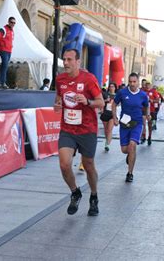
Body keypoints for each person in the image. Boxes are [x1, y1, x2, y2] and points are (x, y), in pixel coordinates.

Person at [54, 48, 104, 216]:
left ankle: (94, 196)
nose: (65, 63)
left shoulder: (89, 79)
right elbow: (58, 99)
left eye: (69, 60)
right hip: (68, 129)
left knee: (88, 165)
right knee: (64, 164)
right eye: (64, 59)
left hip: (87, 129)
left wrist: (87, 101)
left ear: (77, 62)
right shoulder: (60, 79)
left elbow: (101, 102)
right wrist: (57, 105)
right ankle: (75, 192)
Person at [112, 73, 149, 183]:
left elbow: (146, 106)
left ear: (138, 82)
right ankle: (130, 155)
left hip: (136, 124)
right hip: (124, 124)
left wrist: (147, 115)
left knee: (132, 145)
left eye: (134, 82)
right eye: (130, 82)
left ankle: (130, 173)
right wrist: (115, 117)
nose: (132, 84)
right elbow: (114, 104)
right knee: (125, 150)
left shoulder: (142, 95)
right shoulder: (122, 92)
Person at [0, 17, 16, 89]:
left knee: (3, 66)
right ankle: (3, 82)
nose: (13, 24)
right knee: (5, 66)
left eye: (14, 23)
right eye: (11, 22)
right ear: (8, 22)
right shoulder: (3, 29)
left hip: (9, 50)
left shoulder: (12, 31)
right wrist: (0, 48)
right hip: (3, 50)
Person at [141, 81, 160, 146]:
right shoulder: (142, 91)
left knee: (149, 124)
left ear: (151, 86)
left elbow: (158, 100)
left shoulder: (154, 91)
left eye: (149, 85)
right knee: (143, 124)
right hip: (143, 109)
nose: (147, 86)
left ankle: (149, 137)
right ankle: (143, 136)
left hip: (151, 110)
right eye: (146, 85)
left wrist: (152, 101)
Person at [101, 82, 117, 152]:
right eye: (110, 86)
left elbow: (120, 103)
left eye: (113, 86)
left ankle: (107, 145)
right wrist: (106, 100)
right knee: (106, 130)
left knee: (109, 130)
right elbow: (100, 102)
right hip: (105, 113)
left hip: (112, 114)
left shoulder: (117, 95)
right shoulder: (105, 94)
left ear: (115, 88)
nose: (111, 88)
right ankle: (106, 141)